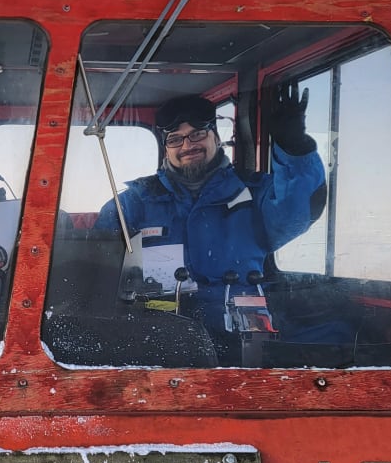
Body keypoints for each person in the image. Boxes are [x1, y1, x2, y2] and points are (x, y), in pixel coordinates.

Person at [94, 86, 327, 351]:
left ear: (216, 137)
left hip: (244, 341)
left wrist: (295, 148)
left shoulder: (253, 192)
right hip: (158, 340)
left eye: (197, 134)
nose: (187, 145)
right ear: (166, 148)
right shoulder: (135, 202)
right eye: (175, 139)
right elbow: (96, 266)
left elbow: (298, 211)